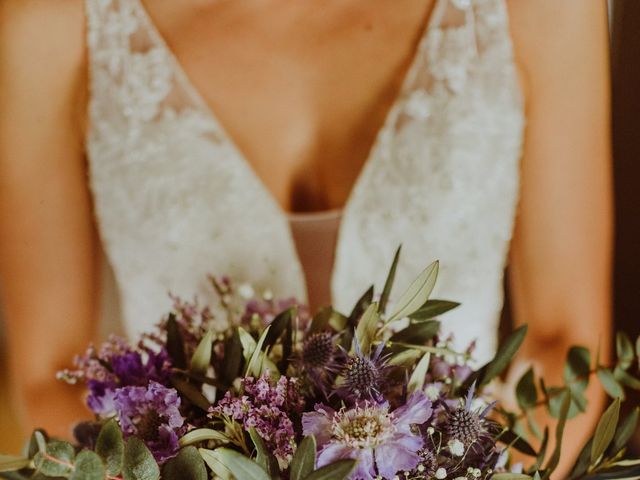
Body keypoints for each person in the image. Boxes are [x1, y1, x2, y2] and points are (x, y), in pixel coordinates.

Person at [0, 0, 611, 474]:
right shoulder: (53, 25)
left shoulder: (540, 10)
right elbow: (50, 375)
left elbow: (565, 343)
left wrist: (458, 471)